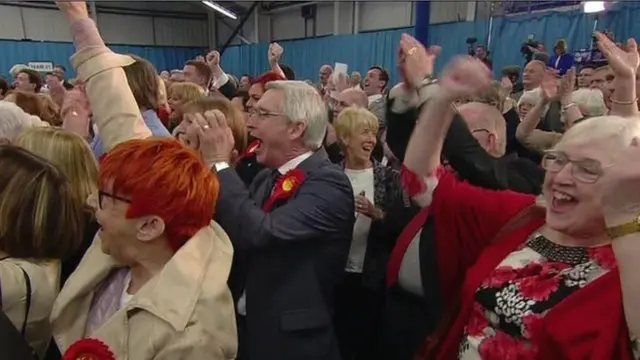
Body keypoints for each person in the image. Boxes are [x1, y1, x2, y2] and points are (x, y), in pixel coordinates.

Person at [402, 31, 640, 360]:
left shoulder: (630, 260)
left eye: (587, 168)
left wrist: (627, 94)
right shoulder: (525, 216)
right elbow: (420, 184)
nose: (561, 177)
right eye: (557, 159)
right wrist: (443, 99)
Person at [49, 3, 238, 358]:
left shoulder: (195, 335)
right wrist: (77, 18)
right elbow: (118, 112)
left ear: (150, 226)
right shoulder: (141, 229)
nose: (94, 207)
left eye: (105, 200)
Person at [197, 80, 354, 360]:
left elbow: (261, 233)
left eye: (262, 114)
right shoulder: (266, 176)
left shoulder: (329, 183)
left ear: (296, 128)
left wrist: (220, 164)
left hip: (292, 344)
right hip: (247, 329)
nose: (249, 122)